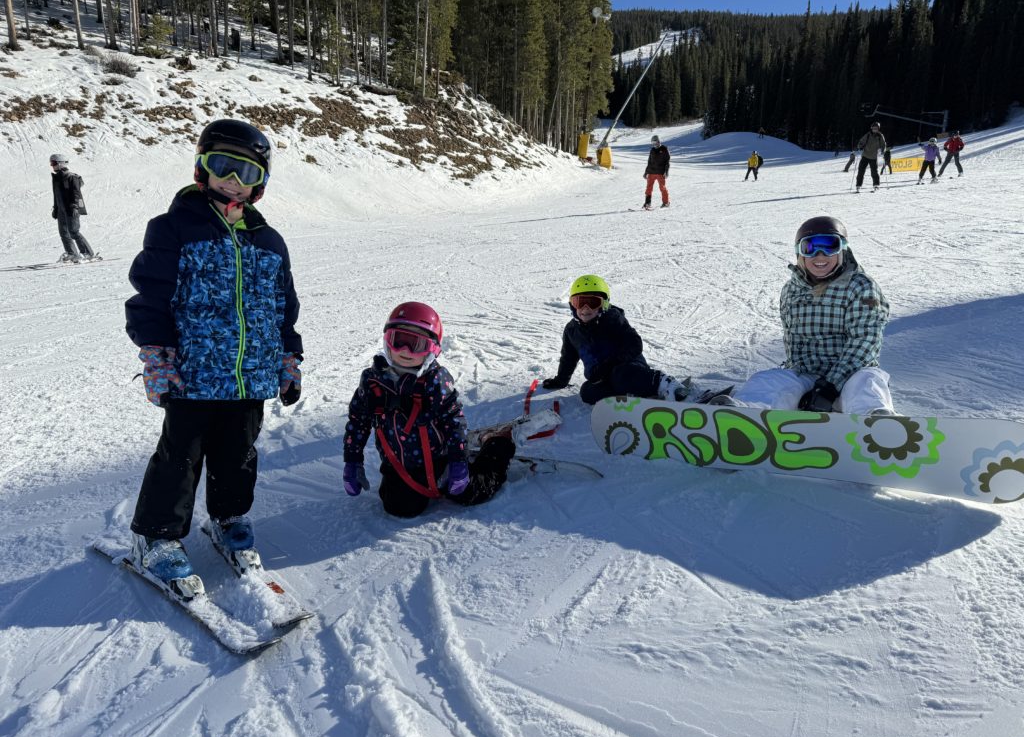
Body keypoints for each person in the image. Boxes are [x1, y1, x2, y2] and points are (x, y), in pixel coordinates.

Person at [123, 119, 303, 596]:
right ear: (202, 166)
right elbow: (150, 298)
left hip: (251, 377)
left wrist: (288, 358)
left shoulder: (269, 241)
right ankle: (155, 537)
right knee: (179, 459)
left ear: (261, 182)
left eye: (247, 172)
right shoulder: (174, 229)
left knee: (238, 455)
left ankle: (227, 518)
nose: (234, 181)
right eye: (223, 166)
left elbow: (284, 308)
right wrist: (158, 357)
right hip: (193, 375)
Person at [342, 302, 516, 519]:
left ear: (432, 349)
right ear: (387, 340)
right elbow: (358, 422)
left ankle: (497, 445)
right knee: (399, 507)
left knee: (470, 493)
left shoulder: (435, 381)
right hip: (399, 461)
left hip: (439, 458)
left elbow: (453, 421)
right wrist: (352, 460)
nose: (405, 351)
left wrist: (457, 462)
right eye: (399, 341)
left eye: (416, 344)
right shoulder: (372, 381)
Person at [714, 216, 894, 416]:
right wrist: (807, 385)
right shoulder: (791, 290)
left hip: (849, 375)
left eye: (829, 246)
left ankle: (877, 421)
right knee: (767, 380)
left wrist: (830, 385)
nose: (820, 255)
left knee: (867, 382)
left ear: (842, 249)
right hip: (806, 375)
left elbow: (865, 341)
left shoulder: (860, 286)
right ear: (799, 252)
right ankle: (743, 415)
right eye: (809, 247)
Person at [541, 274, 701, 405]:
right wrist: (560, 381)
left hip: (629, 368)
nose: (585, 309)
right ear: (572, 305)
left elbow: (635, 344)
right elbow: (568, 359)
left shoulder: (612, 319)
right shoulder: (571, 331)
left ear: (603, 304)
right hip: (603, 379)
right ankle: (636, 395)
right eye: (579, 303)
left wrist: (611, 364)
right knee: (587, 392)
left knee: (621, 375)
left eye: (592, 303)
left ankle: (671, 388)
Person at [50, 154, 97, 263]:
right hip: (61, 209)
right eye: (51, 163)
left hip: (71, 209)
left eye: (54, 163)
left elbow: (77, 193)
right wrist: (56, 208)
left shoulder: (71, 177)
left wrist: (76, 207)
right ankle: (72, 254)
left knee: (74, 231)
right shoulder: (56, 178)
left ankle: (87, 253)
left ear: (61, 163)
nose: (52, 166)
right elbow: (55, 195)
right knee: (64, 233)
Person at [855, 122, 887, 192]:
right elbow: (862, 141)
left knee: (874, 172)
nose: (875, 129)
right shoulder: (868, 135)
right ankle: (858, 185)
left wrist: (883, 151)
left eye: (876, 128)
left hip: (873, 157)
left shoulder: (880, 136)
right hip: (865, 155)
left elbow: (883, 144)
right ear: (871, 128)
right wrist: (859, 146)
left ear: (878, 129)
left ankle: (876, 185)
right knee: (861, 171)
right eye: (873, 128)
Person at [642, 135, 670, 209]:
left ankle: (666, 202)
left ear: (659, 141)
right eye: (653, 143)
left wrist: (666, 171)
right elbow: (649, 162)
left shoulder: (664, 149)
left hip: (660, 172)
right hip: (651, 172)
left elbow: (667, 162)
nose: (654, 144)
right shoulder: (652, 150)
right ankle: (647, 203)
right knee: (649, 188)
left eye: (655, 142)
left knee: (662, 188)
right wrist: (646, 172)